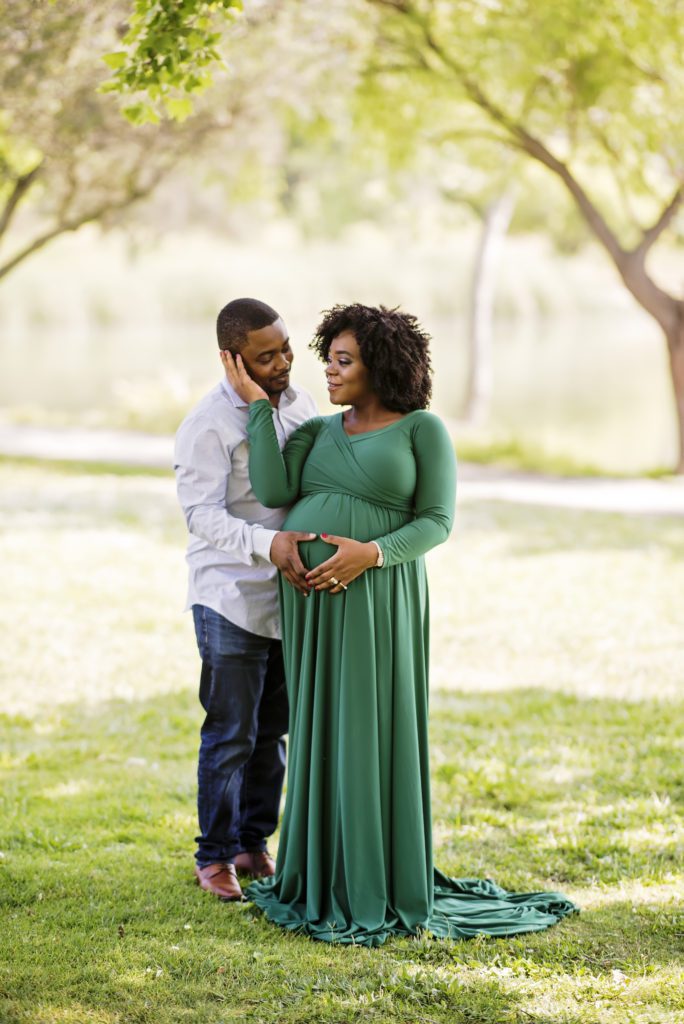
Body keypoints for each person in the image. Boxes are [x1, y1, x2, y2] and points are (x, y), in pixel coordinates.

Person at [224, 302, 578, 944]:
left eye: (342, 360)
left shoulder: (423, 431)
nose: (328, 371)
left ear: (378, 365)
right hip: (314, 603)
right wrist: (255, 404)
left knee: (367, 725)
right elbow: (274, 491)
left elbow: (437, 521)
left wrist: (371, 553)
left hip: (379, 596)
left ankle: (375, 874)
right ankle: (319, 867)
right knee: (320, 727)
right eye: (328, 358)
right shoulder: (313, 431)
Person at [174, 297, 318, 902]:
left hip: (288, 601)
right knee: (232, 732)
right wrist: (268, 543)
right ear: (232, 359)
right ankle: (214, 857)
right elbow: (200, 515)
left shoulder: (299, 403)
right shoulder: (208, 423)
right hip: (229, 596)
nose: (284, 362)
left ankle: (253, 842)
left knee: (273, 732)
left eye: (286, 348)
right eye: (267, 356)